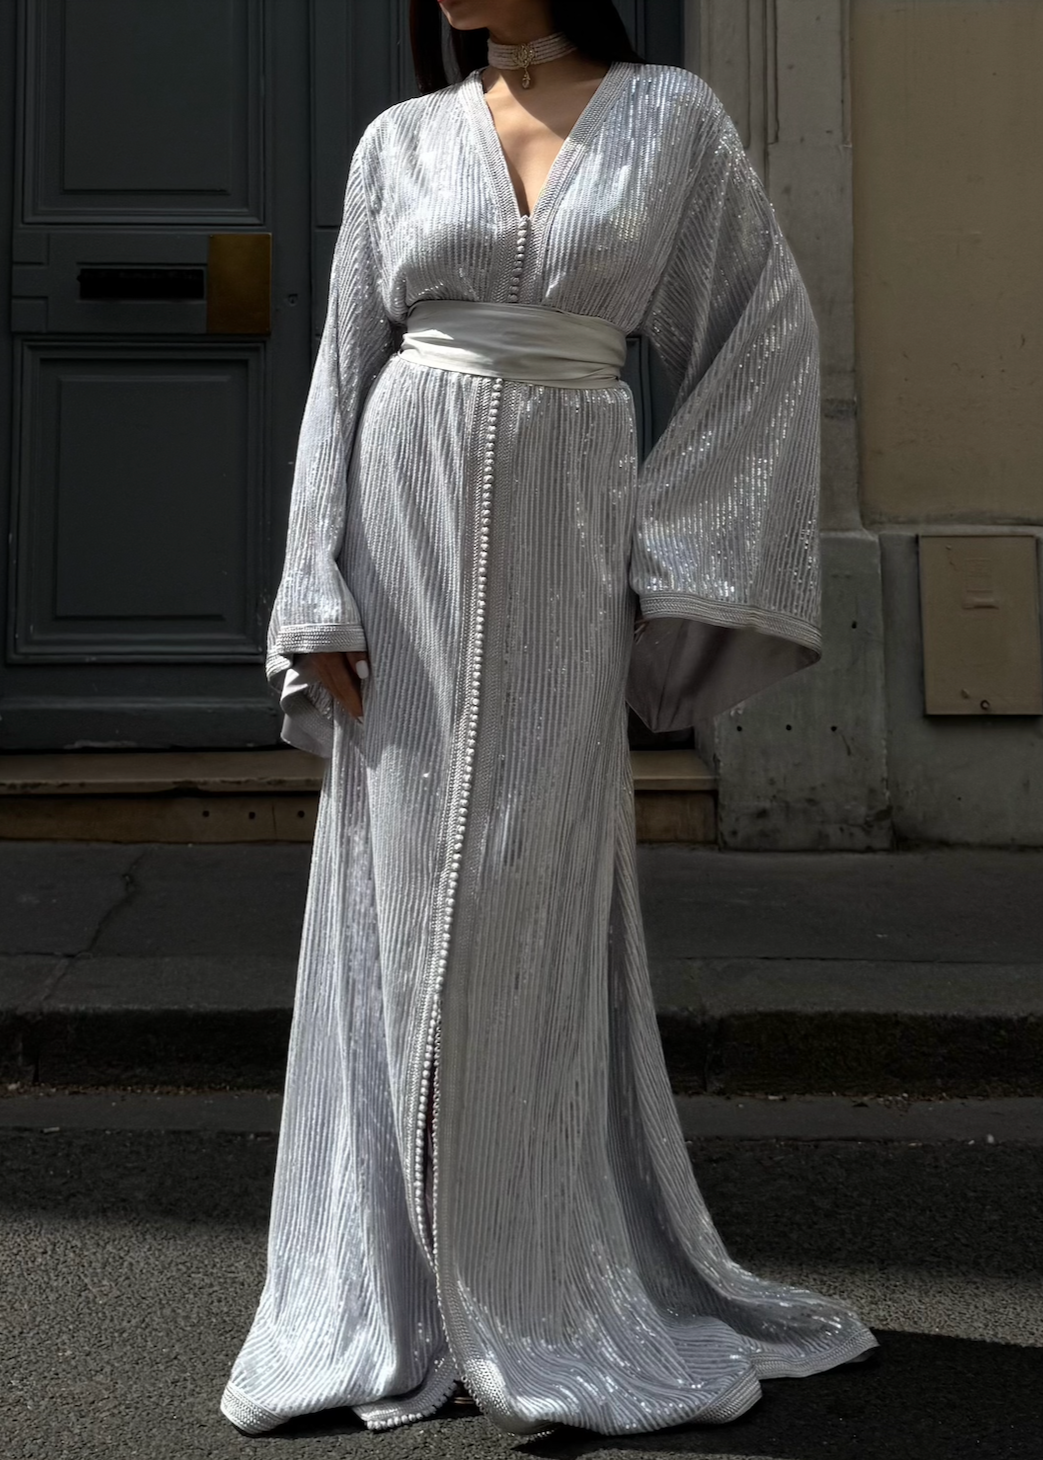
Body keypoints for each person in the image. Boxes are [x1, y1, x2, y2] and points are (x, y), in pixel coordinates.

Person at [220, 0, 878, 1439]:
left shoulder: (671, 120)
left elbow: (762, 332)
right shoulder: (401, 139)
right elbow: (343, 363)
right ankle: (396, 1285)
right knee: (397, 887)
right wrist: (313, 586)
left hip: (571, 517)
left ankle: (531, 1276)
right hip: (400, 514)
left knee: (534, 879)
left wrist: (670, 547)